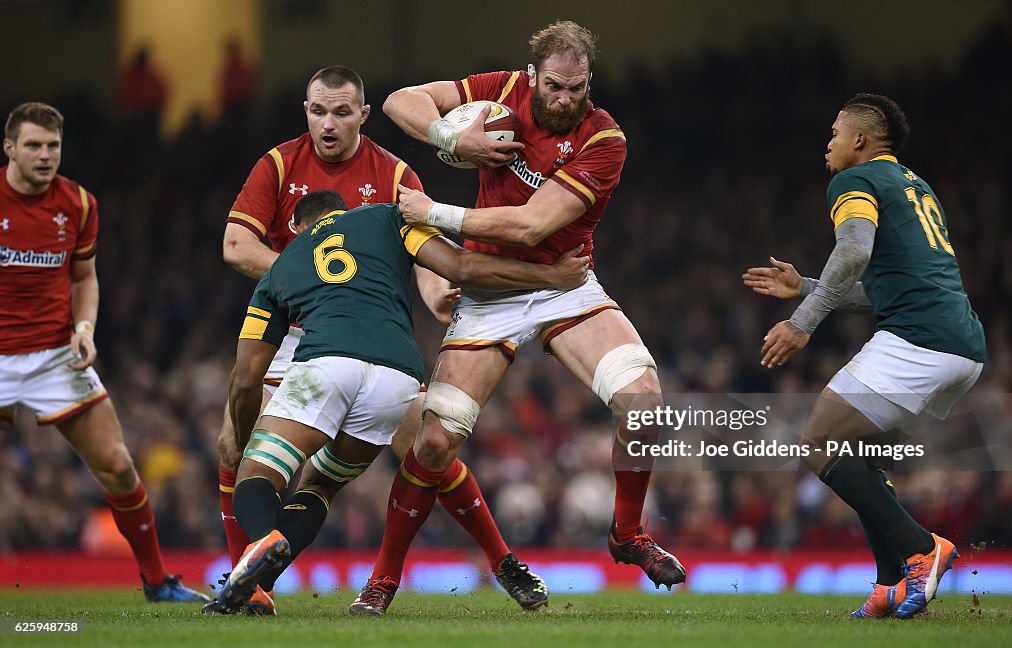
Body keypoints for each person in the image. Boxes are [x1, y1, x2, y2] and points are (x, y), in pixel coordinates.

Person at [351, 20, 686, 616]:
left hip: (566, 287)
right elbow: (403, 102)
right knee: (434, 441)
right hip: (491, 291)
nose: (564, 101)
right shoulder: (500, 91)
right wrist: (452, 140)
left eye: (577, 90)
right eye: (555, 87)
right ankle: (382, 581)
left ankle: (627, 533)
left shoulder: (604, 139)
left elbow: (534, 224)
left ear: (590, 85)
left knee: (644, 401)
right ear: (533, 76)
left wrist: (437, 210)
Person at [220, 66, 548, 614]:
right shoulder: (277, 165)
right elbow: (236, 245)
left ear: (363, 115)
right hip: (296, 327)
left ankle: (502, 561)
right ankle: (250, 585)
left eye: (342, 112)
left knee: (429, 444)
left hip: (354, 335)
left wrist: (438, 292)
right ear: (305, 111)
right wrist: (315, 284)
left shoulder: (395, 175)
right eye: (319, 111)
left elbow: (425, 250)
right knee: (232, 445)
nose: (329, 123)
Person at [204, 190, 588, 614]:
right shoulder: (384, 218)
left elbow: (245, 380)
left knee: (258, 473)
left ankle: (264, 538)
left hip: (326, 363)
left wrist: (242, 439)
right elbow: (460, 266)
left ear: (294, 229)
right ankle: (256, 579)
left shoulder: (281, 269)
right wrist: (551, 277)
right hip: (398, 377)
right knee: (321, 485)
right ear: (343, 214)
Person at [742, 93, 985, 619]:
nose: (827, 144)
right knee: (862, 458)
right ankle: (891, 584)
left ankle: (923, 549)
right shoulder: (916, 186)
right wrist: (806, 286)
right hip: (961, 344)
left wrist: (801, 321)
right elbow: (886, 290)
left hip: (919, 339)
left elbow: (853, 252)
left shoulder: (854, 180)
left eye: (834, 133)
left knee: (819, 444)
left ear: (859, 140)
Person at [0, 102, 208, 603]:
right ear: (9, 148)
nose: (46, 155)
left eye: (53, 145)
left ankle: (157, 582)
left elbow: (84, 277)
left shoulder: (78, 204)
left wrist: (85, 327)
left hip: (54, 354)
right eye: (34, 145)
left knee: (117, 466)